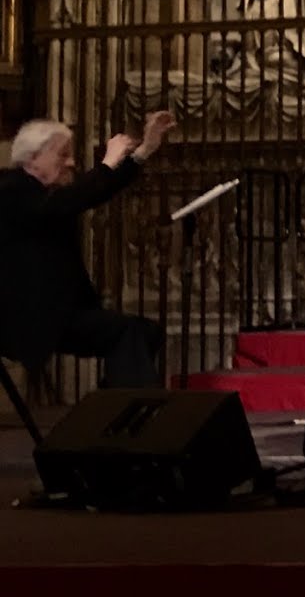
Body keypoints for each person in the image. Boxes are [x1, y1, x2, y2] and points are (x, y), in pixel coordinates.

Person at [0, 110, 176, 389]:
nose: (70, 162)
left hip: (59, 311)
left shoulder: (44, 194)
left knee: (147, 333)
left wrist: (143, 150)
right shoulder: (11, 190)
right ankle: (131, 417)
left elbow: (90, 193)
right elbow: (71, 199)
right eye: (62, 154)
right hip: (27, 316)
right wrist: (107, 163)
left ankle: (106, 415)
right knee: (128, 333)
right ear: (33, 158)